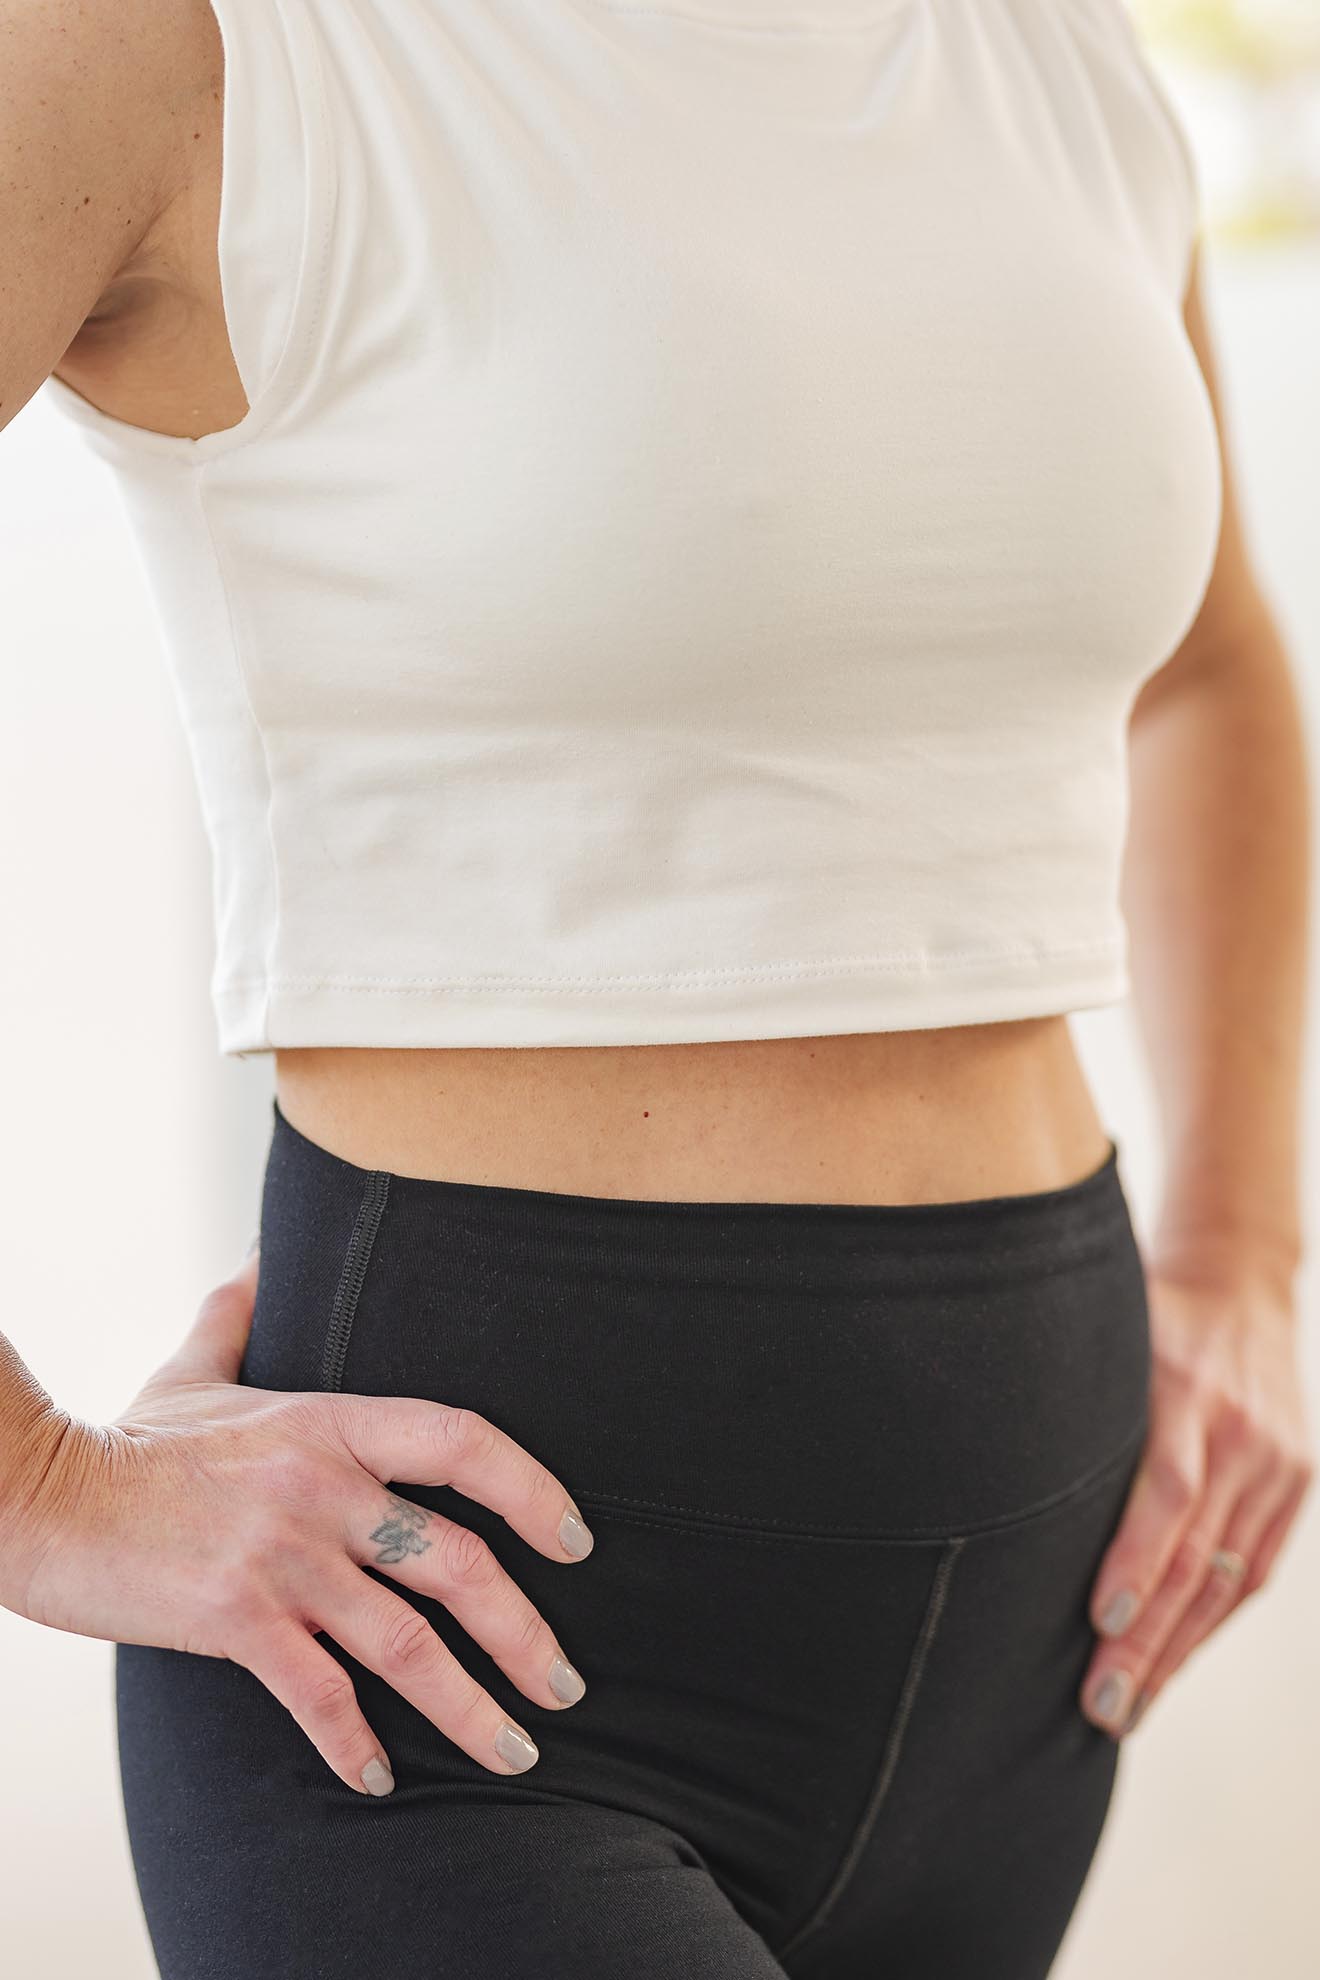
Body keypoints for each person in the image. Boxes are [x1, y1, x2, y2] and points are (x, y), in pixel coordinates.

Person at [0, 1, 1313, 1975]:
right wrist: (37, 1491)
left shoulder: (1051, 46)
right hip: (455, 1666)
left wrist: (1245, 1253)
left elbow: (1204, 671)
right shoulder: (176, 43)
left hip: (1033, 1635)